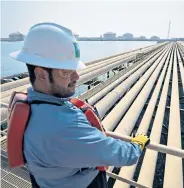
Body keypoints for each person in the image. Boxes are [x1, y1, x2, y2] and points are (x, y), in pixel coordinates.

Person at [10, 22, 150, 188]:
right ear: (41, 74)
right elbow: (120, 155)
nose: (76, 77)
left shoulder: (31, 106)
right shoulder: (66, 127)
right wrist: (137, 145)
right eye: (66, 72)